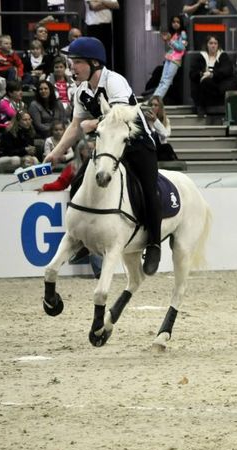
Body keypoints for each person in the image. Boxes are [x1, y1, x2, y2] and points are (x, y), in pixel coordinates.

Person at [44, 37, 162, 275]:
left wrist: (90, 123)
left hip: (136, 144)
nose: (72, 67)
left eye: (76, 62)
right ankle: (83, 238)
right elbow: (76, 126)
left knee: (149, 189)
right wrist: (56, 153)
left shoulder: (114, 81)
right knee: (79, 181)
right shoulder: (81, 92)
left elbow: (117, 119)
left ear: (94, 63)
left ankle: (154, 244)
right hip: (107, 147)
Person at [38, 137, 103, 279]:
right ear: (80, 151)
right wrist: (45, 187)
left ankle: (99, 271)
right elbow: (60, 184)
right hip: (80, 210)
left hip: (98, 207)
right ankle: (97, 268)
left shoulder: (101, 167)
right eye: (89, 149)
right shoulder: (73, 167)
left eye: (94, 148)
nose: (92, 151)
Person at [189, 36, 235, 117]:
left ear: (218, 45)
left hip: (219, 86)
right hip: (204, 86)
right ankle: (201, 107)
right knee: (204, 82)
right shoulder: (200, 57)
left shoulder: (223, 56)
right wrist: (202, 74)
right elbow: (192, 73)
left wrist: (212, 74)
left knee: (230, 82)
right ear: (207, 45)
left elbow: (227, 70)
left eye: (215, 43)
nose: (213, 45)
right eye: (211, 43)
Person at [153, 15, 188, 99]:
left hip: (175, 60)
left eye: (178, 22)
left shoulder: (183, 34)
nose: (175, 24)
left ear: (181, 23)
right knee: (162, 80)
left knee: (166, 81)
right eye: (174, 22)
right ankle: (154, 99)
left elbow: (181, 48)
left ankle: (156, 100)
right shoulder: (174, 34)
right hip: (169, 58)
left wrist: (170, 40)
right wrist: (167, 40)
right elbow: (172, 48)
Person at [84, 0, 119, 70]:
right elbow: (94, 6)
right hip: (93, 26)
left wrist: (100, 1)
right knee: (94, 55)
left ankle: (107, 76)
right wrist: (108, 4)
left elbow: (116, 5)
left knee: (107, 54)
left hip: (106, 26)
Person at [146, 95, 178, 162]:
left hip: (159, 152)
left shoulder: (165, 120)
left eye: (155, 105)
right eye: (151, 105)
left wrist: (155, 120)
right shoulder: (145, 121)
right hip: (148, 150)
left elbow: (165, 134)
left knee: (167, 147)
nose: (153, 107)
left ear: (160, 107)